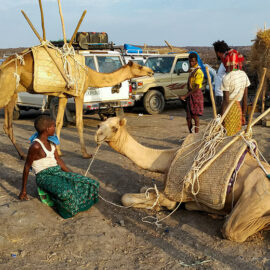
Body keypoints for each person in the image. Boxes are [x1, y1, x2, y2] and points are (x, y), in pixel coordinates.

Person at [19, 115, 99, 219]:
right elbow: (26, 167)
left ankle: (67, 200)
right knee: (66, 193)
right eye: (53, 126)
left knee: (90, 183)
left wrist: (71, 174)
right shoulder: (36, 146)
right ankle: (58, 203)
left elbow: (59, 160)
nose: (54, 128)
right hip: (44, 176)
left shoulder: (51, 142)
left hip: (57, 172)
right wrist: (23, 190)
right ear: (47, 129)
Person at [212, 41, 250, 136]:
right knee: (236, 135)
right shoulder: (243, 75)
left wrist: (220, 118)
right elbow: (245, 99)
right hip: (238, 110)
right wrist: (244, 115)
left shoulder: (227, 78)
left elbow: (225, 101)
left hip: (229, 111)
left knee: (227, 135)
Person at [180, 52, 204, 133]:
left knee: (195, 116)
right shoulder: (192, 71)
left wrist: (185, 96)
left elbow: (197, 87)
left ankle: (196, 135)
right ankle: (191, 134)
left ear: (196, 61)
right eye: (190, 61)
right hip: (191, 94)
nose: (191, 63)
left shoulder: (198, 72)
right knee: (188, 117)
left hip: (196, 95)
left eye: (193, 61)